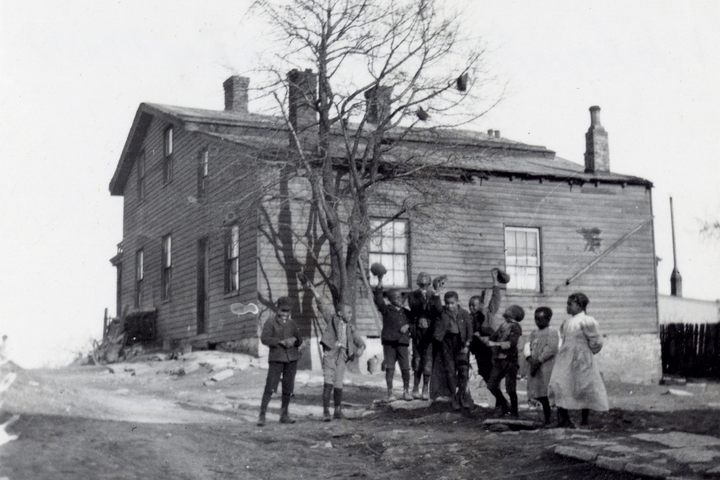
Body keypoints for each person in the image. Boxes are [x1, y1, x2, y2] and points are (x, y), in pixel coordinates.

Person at [301, 276, 366, 421]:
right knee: (328, 381)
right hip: (330, 353)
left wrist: (362, 347)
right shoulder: (332, 319)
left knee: (338, 382)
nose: (351, 315)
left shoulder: (350, 326)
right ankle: (325, 412)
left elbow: (358, 339)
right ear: (340, 313)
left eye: (351, 312)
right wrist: (313, 290)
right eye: (348, 312)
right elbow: (323, 305)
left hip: (342, 356)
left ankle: (337, 411)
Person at [548, 293, 609, 428]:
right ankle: (564, 418)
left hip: (582, 357)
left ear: (580, 305)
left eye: (570, 304)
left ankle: (584, 420)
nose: (567, 307)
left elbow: (596, 340)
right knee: (561, 383)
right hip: (565, 357)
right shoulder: (566, 323)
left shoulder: (587, 321)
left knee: (584, 385)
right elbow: (563, 340)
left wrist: (588, 352)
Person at [258, 296, 303, 426]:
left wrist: (295, 340)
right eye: (283, 310)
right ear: (278, 309)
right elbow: (264, 339)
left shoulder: (292, 323)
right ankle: (262, 415)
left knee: (288, 387)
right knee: (270, 387)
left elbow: (299, 339)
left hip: (291, 359)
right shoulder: (270, 322)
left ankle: (284, 414)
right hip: (276, 358)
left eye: (288, 311)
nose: (285, 314)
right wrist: (279, 342)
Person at [430, 290, 474, 409]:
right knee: (450, 372)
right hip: (447, 344)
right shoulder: (442, 312)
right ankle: (453, 397)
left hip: (461, 344)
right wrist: (436, 293)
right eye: (447, 303)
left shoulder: (464, 313)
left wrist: (467, 345)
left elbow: (470, 330)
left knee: (463, 372)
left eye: (452, 303)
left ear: (457, 302)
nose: (450, 306)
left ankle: (462, 396)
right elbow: (437, 304)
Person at [373, 275, 413, 401]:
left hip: (402, 343)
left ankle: (406, 391)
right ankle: (390, 393)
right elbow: (379, 300)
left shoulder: (406, 312)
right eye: (395, 297)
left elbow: (414, 323)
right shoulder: (386, 310)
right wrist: (379, 287)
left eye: (400, 297)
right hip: (389, 343)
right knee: (389, 368)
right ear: (390, 299)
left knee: (405, 367)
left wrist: (408, 326)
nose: (399, 299)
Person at [483, 304, 524, 417]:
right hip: (498, 360)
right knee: (491, 385)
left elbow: (511, 344)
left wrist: (495, 344)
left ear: (514, 314)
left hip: (510, 361)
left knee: (510, 388)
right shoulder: (503, 325)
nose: (506, 310)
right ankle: (504, 404)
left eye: (509, 310)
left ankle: (515, 413)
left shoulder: (516, 327)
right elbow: (493, 337)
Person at [524, 307, 560, 425]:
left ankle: (554, 418)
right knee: (540, 393)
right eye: (536, 319)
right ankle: (546, 417)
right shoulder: (534, 333)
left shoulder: (552, 332)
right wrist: (530, 358)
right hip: (535, 366)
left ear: (548, 319)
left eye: (541, 319)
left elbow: (551, 349)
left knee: (548, 392)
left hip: (546, 366)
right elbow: (527, 346)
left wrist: (539, 361)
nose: (538, 321)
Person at [469, 268, 504, 385]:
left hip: (491, 349)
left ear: (481, 305)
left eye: (474, 305)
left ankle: (498, 400)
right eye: (470, 306)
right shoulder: (470, 317)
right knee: (483, 374)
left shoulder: (489, 312)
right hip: (479, 350)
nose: (472, 308)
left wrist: (495, 281)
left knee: (493, 375)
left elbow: (496, 298)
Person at [407, 272, 438, 399]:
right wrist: (422, 295)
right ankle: (415, 387)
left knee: (428, 361)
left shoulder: (433, 295)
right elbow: (415, 308)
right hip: (417, 332)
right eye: (421, 284)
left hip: (429, 332)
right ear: (418, 284)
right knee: (417, 360)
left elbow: (436, 310)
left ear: (429, 284)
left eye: (426, 284)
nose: (424, 287)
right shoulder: (412, 295)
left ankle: (425, 387)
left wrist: (433, 295)